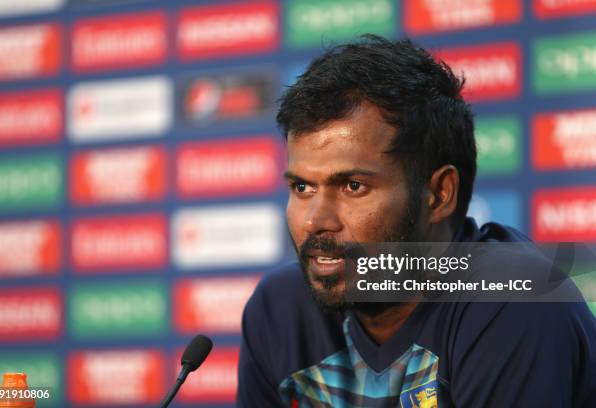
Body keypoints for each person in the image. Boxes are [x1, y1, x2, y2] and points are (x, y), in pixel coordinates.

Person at [237, 35, 596, 407]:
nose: (314, 221)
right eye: (302, 187)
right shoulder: (279, 310)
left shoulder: (515, 301)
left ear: (439, 194)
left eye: (353, 186)